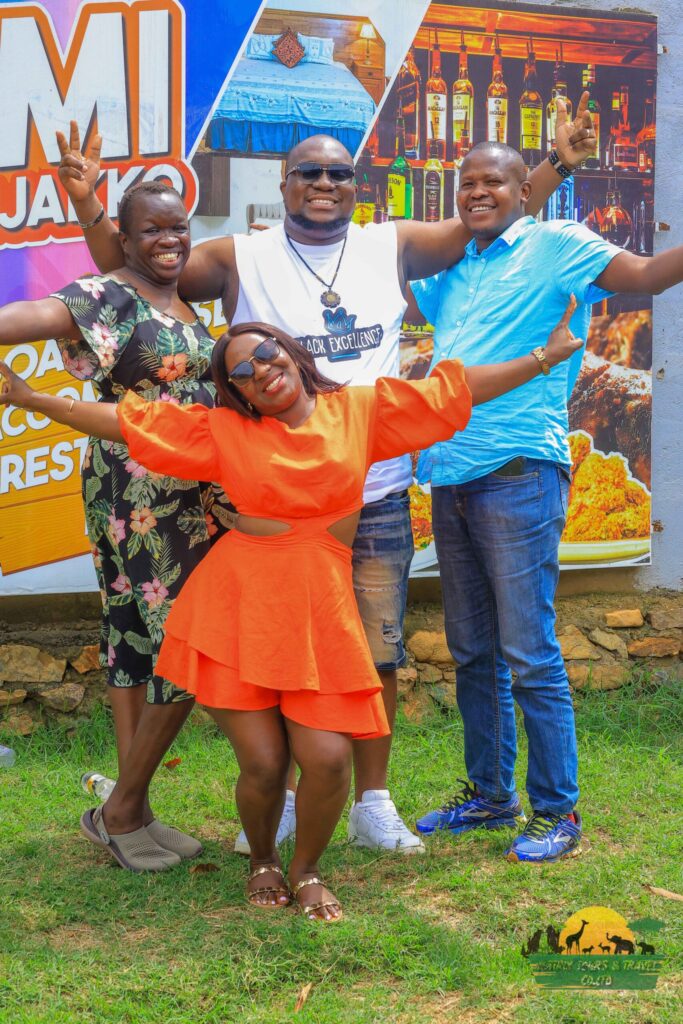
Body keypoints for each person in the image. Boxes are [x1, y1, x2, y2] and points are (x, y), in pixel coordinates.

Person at [55, 101, 597, 854]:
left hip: (371, 494)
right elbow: (141, 271)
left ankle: (374, 802)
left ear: (356, 185)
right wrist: (89, 206)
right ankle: (281, 801)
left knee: (376, 649)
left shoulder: (392, 243)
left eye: (338, 174)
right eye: (307, 172)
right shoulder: (240, 255)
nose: (323, 183)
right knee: (273, 653)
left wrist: (556, 166)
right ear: (282, 184)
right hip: (272, 504)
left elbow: (490, 210)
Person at [1, 307, 583, 917]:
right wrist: (29, 398)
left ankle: (305, 869)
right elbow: (128, 422)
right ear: (237, 392)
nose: (259, 371)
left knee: (328, 760)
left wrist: (545, 357)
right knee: (264, 762)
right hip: (238, 607)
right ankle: (263, 861)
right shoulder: (226, 432)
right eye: (241, 373)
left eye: (265, 354)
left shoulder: (359, 411)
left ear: (293, 353)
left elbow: (451, 393)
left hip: (319, 611)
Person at [412, 140, 683, 863]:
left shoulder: (558, 245)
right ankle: (490, 795)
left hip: (520, 472)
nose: (478, 192)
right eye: (466, 183)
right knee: (472, 650)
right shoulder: (453, 263)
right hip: (451, 472)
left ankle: (557, 812)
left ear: (524, 191)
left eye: (494, 182)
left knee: (528, 650)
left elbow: (648, 274)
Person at [0, 181, 234, 871]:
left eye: (178, 227)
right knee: (180, 643)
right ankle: (124, 811)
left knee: (134, 637)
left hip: (186, 490)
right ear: (123, 240)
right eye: (152, 230)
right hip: (140, 488)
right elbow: (33, 315)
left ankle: (132, 810)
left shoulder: (181, 299)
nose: (170, 240)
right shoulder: (111, 294)